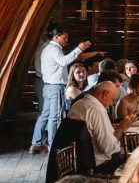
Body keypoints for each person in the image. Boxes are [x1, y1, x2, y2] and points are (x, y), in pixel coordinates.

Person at [32, 24, 100, 153]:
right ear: (57, 37)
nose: (67, 40)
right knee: (55, 117)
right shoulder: (54, 49)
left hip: (48, 86)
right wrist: (78, 49)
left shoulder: (46, 48)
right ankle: (53, 146)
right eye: (65, 37)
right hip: (56, 86)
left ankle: (36, 143)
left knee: (45, 115)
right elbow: (64, 61)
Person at [67, 81, 137, 173]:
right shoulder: (97, 109)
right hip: (102, 166)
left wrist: (109, 126)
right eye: (112, 99)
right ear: (105, 94)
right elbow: (107, 148)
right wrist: (122, 128)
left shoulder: (78, 104)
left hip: (79, 162)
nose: (111, 104)